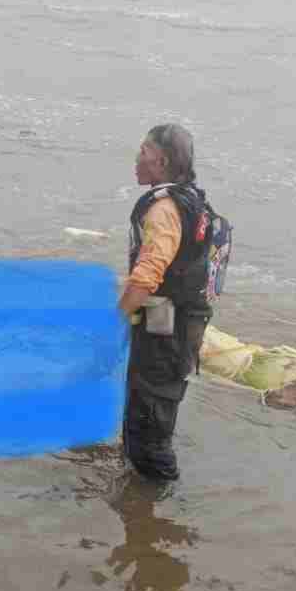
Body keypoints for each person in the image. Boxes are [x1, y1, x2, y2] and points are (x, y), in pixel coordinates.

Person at [117, 124, 214, 482]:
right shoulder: (190, 199)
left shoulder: (164, 210)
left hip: (166, 330)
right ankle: (141, 507)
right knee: (145, 413)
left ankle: (157, 519)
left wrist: (116, 318)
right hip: (176, 322)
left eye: (143, 151)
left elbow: (148, 276)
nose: (137, 158)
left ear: (162, 160)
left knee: (151, 432)